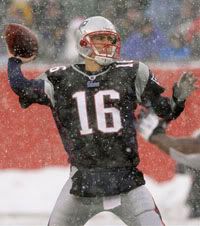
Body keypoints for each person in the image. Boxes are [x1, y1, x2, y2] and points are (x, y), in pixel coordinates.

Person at [7, 16, 195, 226]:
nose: (107, 44)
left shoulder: (131, 72)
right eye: (100, 38)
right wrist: (15, 61)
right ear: (83, 43)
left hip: (127, 182)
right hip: (82, 183)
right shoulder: (60, 78)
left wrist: (178, 100)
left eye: (110, 39)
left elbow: (165, 111)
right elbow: (21, 87)